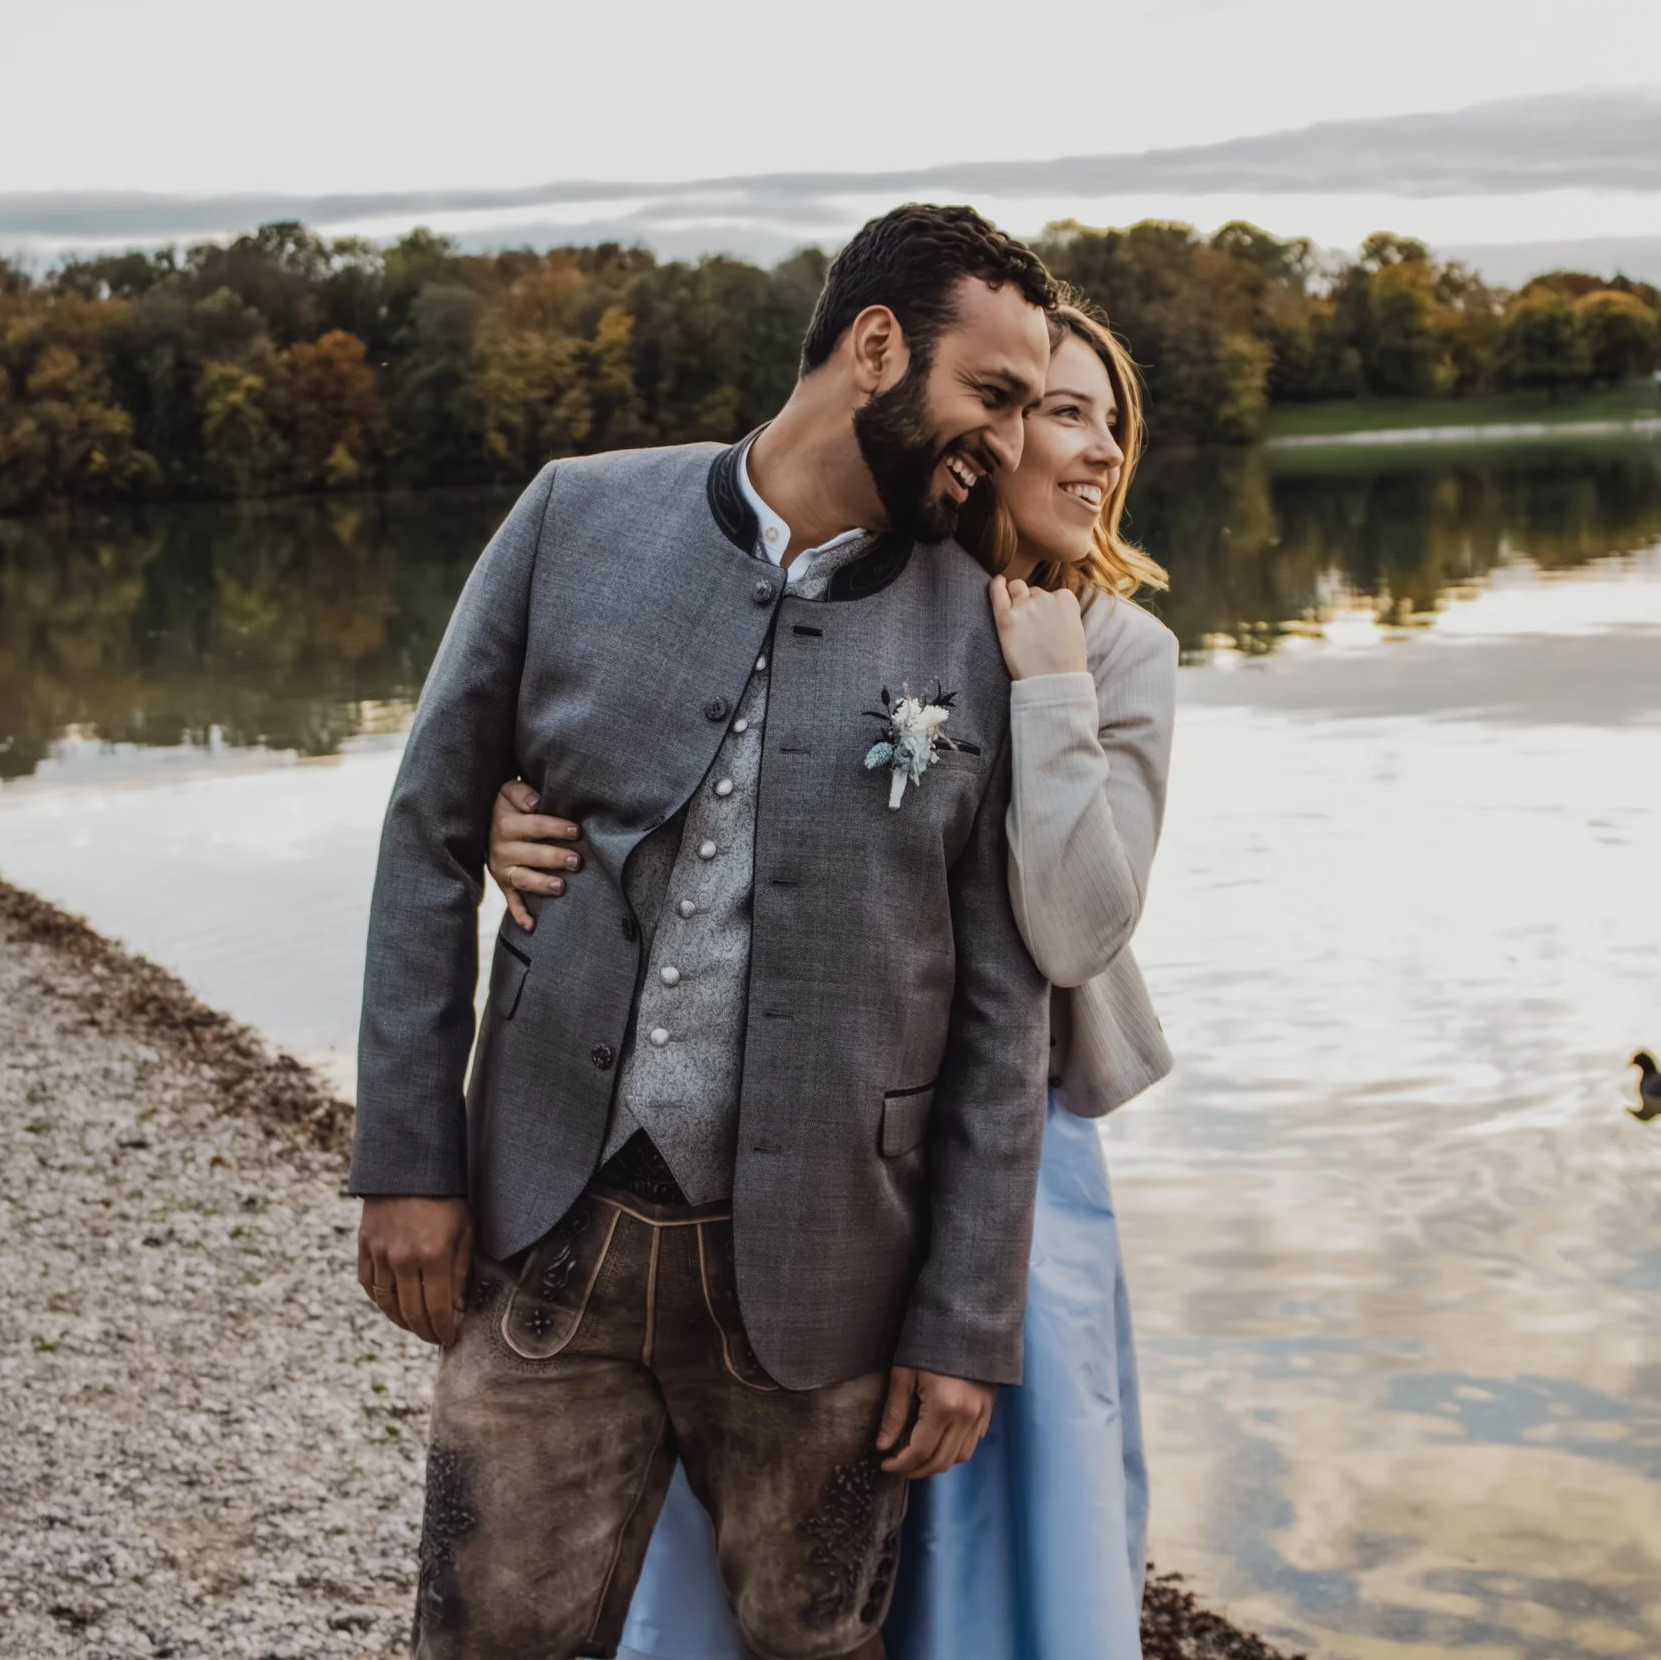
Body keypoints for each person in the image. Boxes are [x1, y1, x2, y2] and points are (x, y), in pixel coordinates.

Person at [347, 204, 1061, 1660]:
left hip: (833, 1277)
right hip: (548, 1228)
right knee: (481, 1641)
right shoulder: (572, 516)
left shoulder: (988, 626)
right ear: (876, 349)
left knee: (821, 1648)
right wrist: (410, 1156)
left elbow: (1003, 1002)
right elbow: (429, 834)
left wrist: (964, 1318)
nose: (1006, 440)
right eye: (990, 396)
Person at [490, 303, 1179, 1660]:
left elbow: (1079, 929)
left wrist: (1047, 692)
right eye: (1059, 409)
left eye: (1112, 420)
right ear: (982, 430)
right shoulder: (846, 595)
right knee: (758, 1543)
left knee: (1002, 1530)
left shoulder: (1118, 653)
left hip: (1012, 1155)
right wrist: (527, 820)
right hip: (793, 1156)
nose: (1096, 448)